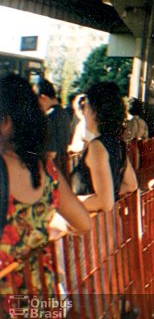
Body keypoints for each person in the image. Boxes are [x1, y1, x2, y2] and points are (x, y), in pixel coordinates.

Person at [0, 74, 91, 299]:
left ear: (6, 122)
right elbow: (83, 223)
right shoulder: (47, 169)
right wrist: (39, 231)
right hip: (42, 294)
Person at [71, 82, 138, 212]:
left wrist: (64, 202)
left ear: (95, 111)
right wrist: (110, 193)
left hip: (91, 228)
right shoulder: (117, 143)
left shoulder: (97, 147)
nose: (83, 112)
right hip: (108, 227)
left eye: (85, 106)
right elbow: (131, 184)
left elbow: (104, 203)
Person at [34, 79, 71, 175]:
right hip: (64, 166)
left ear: (43, 97)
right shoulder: (64, 113)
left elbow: (51, 153)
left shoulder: (49, 117)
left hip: (53, 168)